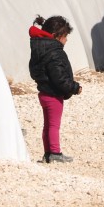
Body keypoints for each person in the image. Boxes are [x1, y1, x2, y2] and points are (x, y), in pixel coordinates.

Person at [28, 15, 82, 164]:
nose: (66, 40)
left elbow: (34, 71)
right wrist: (74, 87)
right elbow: (59, 79)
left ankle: (48, 153)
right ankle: (55, 153)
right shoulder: (55, 52)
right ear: (56, 36)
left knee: (47, 125)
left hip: (43, 93)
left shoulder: (38, 48)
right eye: (65, 36)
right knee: (53, 125)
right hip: (53, 96)